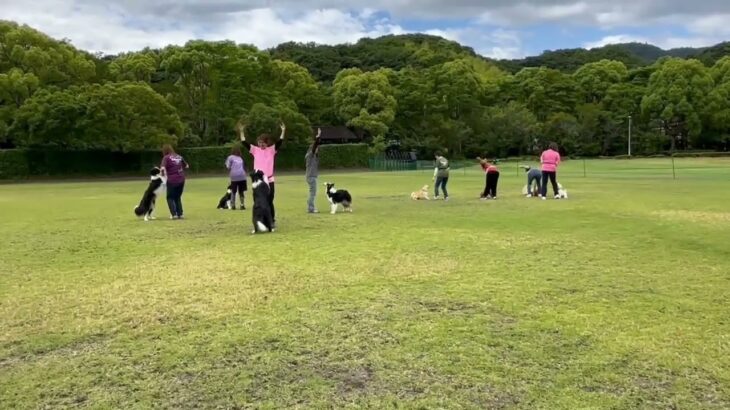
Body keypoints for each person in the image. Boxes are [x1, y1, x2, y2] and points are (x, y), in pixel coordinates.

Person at [237, 122, 285, 224]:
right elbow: (244, 142)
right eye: (259, 142)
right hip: (258, 180)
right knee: (258, 201)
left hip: (269, 179)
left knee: (269, 200)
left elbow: (280, 142)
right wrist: (241, 132)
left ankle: (271, 220)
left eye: (263, 142)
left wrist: (283, 131)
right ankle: (260, 220)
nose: (261, 144)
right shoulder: (255, 150)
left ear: (267, 143)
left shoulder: (271, 150)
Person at [160, 144, 189, 219]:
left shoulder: (166, 158)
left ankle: (174, 214)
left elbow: (162, 168)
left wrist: (162, 175)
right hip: (181, 179)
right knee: (177, 197)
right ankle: (180, 214)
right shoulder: (179, 156)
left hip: (172, 180)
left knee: (169, 197)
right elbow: (187, 166)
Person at [305, 128, 322, 213]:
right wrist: (317, 138)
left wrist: (318, 141)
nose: (317, 150)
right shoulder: (310, 155)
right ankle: (311, 208)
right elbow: (314, 146)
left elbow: (316, 148)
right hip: (311, 176)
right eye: (316, 149)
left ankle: (310, 206)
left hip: (312, 176)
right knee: (313, 193)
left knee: (312, 192)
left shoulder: (314, 156)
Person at [225, 145, 247, 210]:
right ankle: (242, 205)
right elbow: (243, 167)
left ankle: (233, 205)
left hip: (234, 176)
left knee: (233, 191)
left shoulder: (230, 157)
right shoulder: (240, 158)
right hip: (242, 176)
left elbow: (228, 166)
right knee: (241, 191)